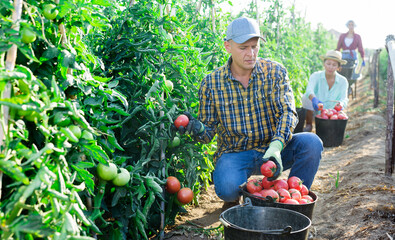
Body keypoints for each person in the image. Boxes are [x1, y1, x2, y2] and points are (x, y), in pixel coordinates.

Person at [175, 17, 323, 207]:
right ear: (228, 46)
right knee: (227, 189)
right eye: (243, 48)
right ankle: (245, 193)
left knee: (312, 143)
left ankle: (290, 199)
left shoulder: (275, 72)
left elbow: (288, 112)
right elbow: (208, 133)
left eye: (254, 46)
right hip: (235, 152)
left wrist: (276, 147)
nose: (251, 53)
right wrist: (195, 128)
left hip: (272, 149)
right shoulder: (211, 83)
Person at [302, 50, 349, 132]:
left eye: (334, 65)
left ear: (338, 67)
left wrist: (341, 104)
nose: (330, 67)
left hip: (333, 110)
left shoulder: (343, 81)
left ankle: (333, 125)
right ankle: (309, 124)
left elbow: (344, 98)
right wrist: (314, 100)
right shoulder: (315, 76)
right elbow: (309, 90)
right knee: (305, 97)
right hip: (317, 107)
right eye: (328, 64)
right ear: (324, 64)